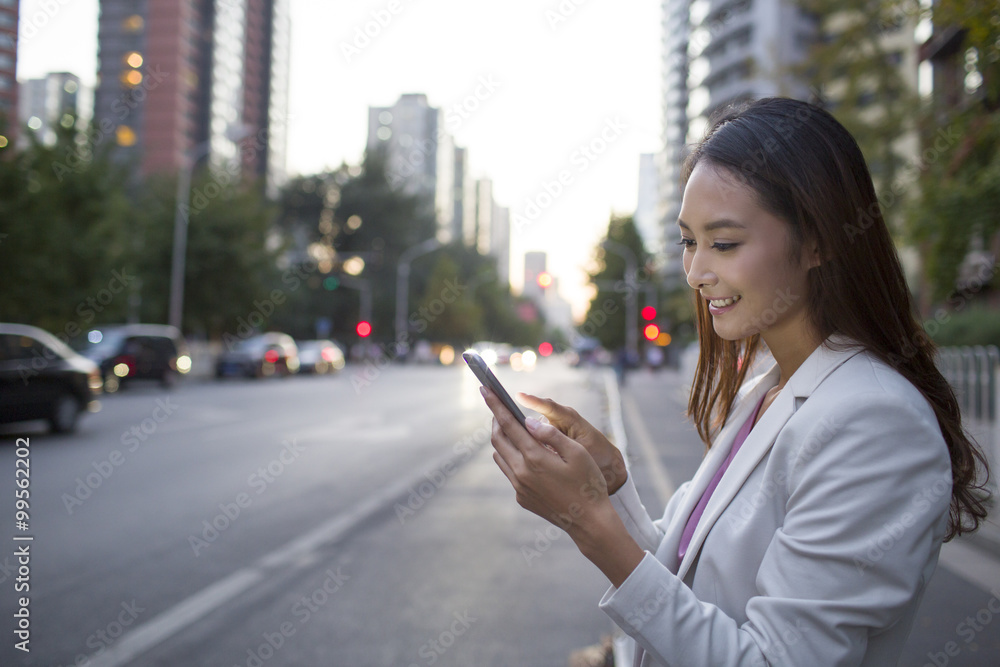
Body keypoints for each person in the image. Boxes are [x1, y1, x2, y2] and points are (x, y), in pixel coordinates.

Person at [479, 97, 991, 666]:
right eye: (688, 242)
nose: (697, 273)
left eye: (723, 243)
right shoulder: (769, 390)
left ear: (818, 239)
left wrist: (589, 525)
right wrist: (612, 488)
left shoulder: (872, 420)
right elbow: (689, 585)